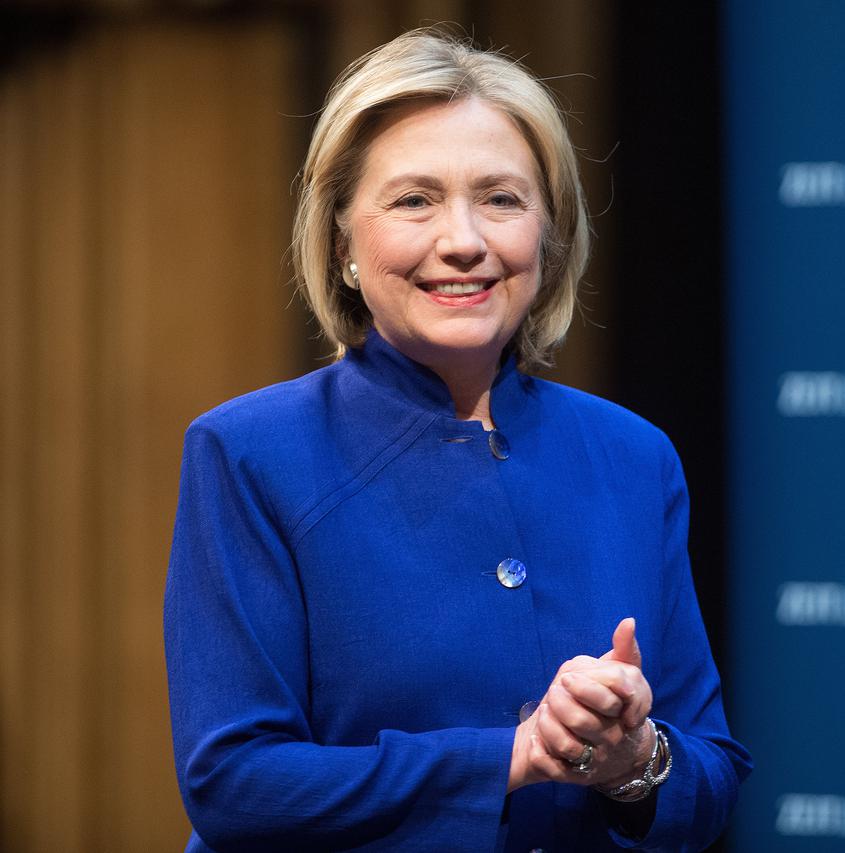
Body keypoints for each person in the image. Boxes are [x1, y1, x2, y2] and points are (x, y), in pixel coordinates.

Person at [163, 27, 751, 852]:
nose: (464, 239)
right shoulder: (248, 452)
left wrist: (633, 759)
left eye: (502, 199)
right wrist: (510, 758)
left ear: (547, 237)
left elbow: (712, 776)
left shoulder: (635, 455)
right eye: (415, 200)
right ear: (342, 247)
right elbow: (233, 781)